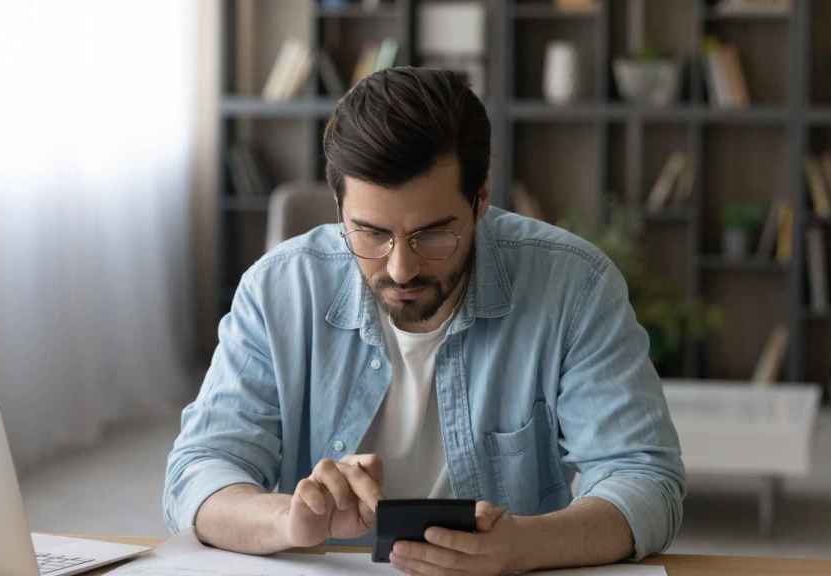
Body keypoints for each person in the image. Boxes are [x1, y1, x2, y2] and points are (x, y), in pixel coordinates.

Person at [164, 67, 684, 575]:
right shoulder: (278, 289)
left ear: (480, 202)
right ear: (340, 208)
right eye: (370, 233)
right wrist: (290, 521)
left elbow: (643, 479)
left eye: (432, 235)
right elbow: (199, 473)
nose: (400, 268)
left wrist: (524, 546)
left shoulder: (575, 285)